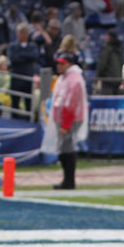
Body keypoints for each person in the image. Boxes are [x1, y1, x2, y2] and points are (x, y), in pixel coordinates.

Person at [43, 49, 88, 189]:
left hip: (68, 119)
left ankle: (69, 181)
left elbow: (71, 103)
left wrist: (66, 124)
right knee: (64, 149)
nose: (59, 66)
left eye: (62, 63)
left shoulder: (74, 79)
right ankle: (67, 179)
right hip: (62, 118)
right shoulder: (65, 77)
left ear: (69, 64)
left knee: (67, 149)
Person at [6, 23, 40, 111]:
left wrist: (20, 55)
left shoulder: (33, 46)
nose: (21, 34)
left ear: (27, 34)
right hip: (16, 78)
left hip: (27, 79)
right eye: (20, 32)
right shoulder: (12, 46)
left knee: (29, 104)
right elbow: (12, 58)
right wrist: (26, 57)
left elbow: (34, 56)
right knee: (14, 104)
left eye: (23, 32)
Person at [95, 29, 124, 94]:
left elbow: (102, 65)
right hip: (117, 80)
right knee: (115, 102)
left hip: (108, 81)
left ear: (109, 37)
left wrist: (97, 77)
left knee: (107, 102)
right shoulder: (120, 49)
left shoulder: (107, 49)